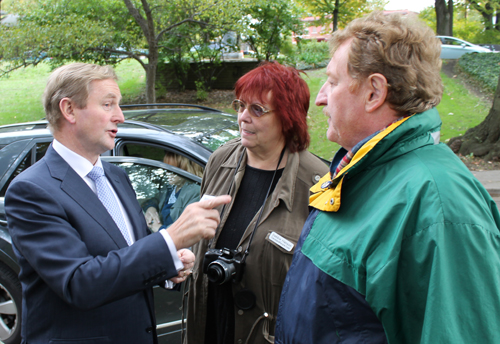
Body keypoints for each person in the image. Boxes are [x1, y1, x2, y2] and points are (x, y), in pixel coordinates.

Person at [275, 11, 500, 344]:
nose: (320, 97)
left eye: (333, 82)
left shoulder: (438, 206)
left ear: (374, 93)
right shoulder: (364, 172)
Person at [4, 63, 230, 344]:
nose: (120, 116)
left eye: (118, 105)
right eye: (108, 104)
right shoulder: (31, 191)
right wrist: (169, 240)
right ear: (69, 110)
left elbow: (125, 253)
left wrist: (170, 263)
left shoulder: (115, 176)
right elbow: (80, 283)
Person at [185, 61, 329, 344]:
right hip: (208, 327)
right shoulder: (220, 161)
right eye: (240, 105)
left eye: (257, 110)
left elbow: (321, 289)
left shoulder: (317, 184)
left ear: (288, 117)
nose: (242, 117)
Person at [144, 152, 203, 232]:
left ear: (185, 169)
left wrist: (159, 229)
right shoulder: (171, 187)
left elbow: (187, 228)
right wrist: (151, 208)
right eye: (166, 168)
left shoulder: (194, 191)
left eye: (172, 169)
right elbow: (155, 199)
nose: (167, 172)